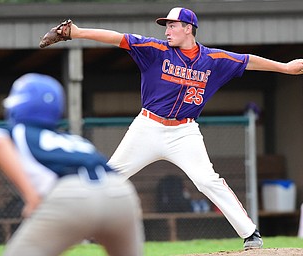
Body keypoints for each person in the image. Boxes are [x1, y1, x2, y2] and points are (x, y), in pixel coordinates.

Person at [46, 7, 303, 250]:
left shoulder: (212, 59)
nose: (167, 30)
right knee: (110, 176)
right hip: (147, 127)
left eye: (172, 25)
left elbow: (248, 61)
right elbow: (117, 38)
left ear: (188, 28)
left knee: (207, 180)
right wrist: (77, 32)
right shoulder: (154, 50)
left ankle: (250, 233)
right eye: (166, 25)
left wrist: (284, 67)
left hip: (184, 132)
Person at [0, 73, 144, 256]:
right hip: (120, 194)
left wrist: (31, 197)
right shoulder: (71, 139)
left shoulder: (13, 131)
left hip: (72, 195)